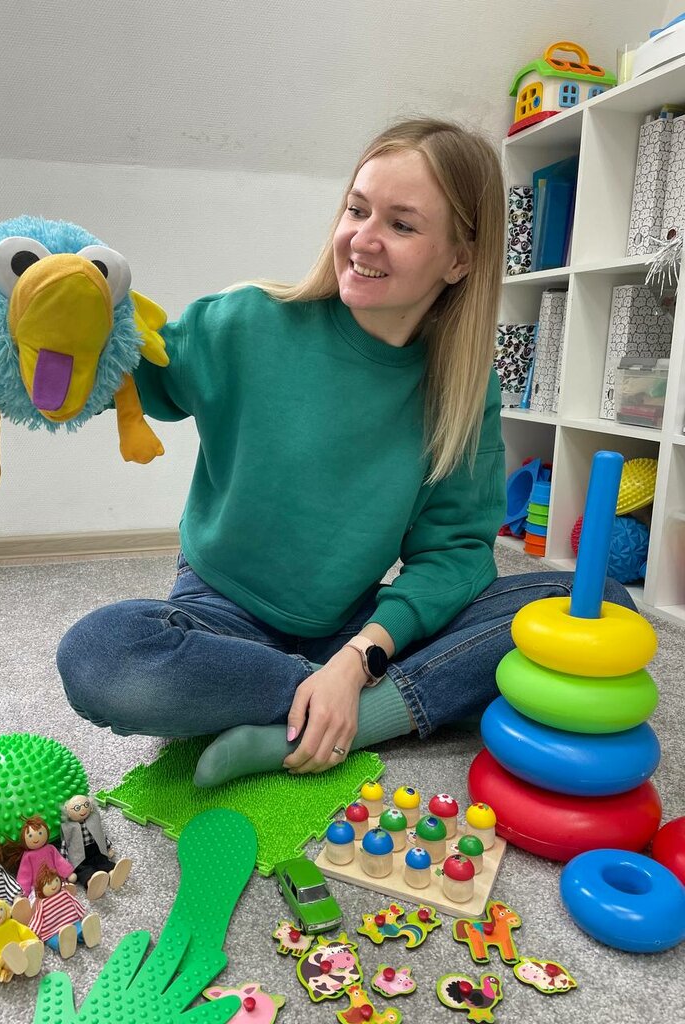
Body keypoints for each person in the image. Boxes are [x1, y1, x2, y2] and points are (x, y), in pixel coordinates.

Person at [57, 117, 634, 786]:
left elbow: (454, 553)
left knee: (596, 600)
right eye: (357, 210)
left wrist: (359, 659)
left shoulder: (463, 387)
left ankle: (352, 713)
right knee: (100, 655)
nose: (363, 238)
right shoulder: (249, 319)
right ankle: (344, 702)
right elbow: (135, 375)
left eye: (401, 224)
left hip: (354, 628)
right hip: (222, 615)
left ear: (460, 260)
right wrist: (61, 344)